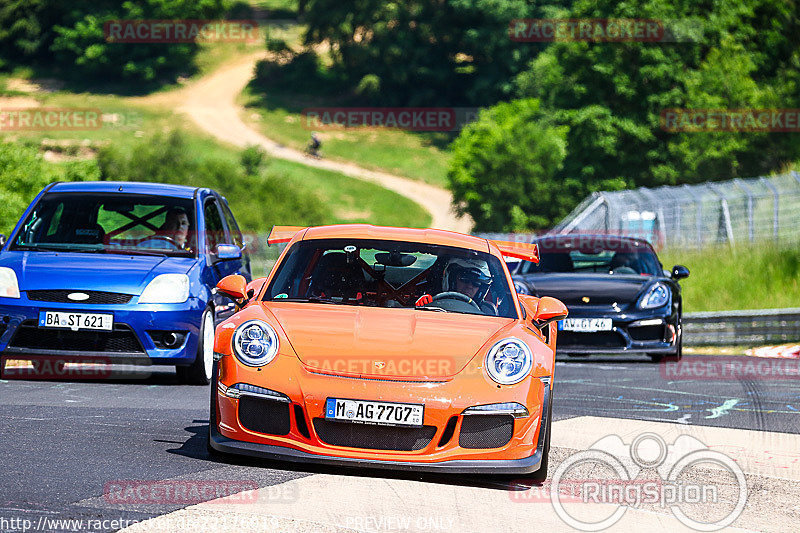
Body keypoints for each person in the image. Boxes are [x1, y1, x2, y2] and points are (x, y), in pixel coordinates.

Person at [416, 257, 496, 314]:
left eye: (476, 284)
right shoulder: (430, 301)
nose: (469, 286)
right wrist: (422, 306)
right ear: (452, 279)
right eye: (464, 279)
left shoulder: (487, 311)